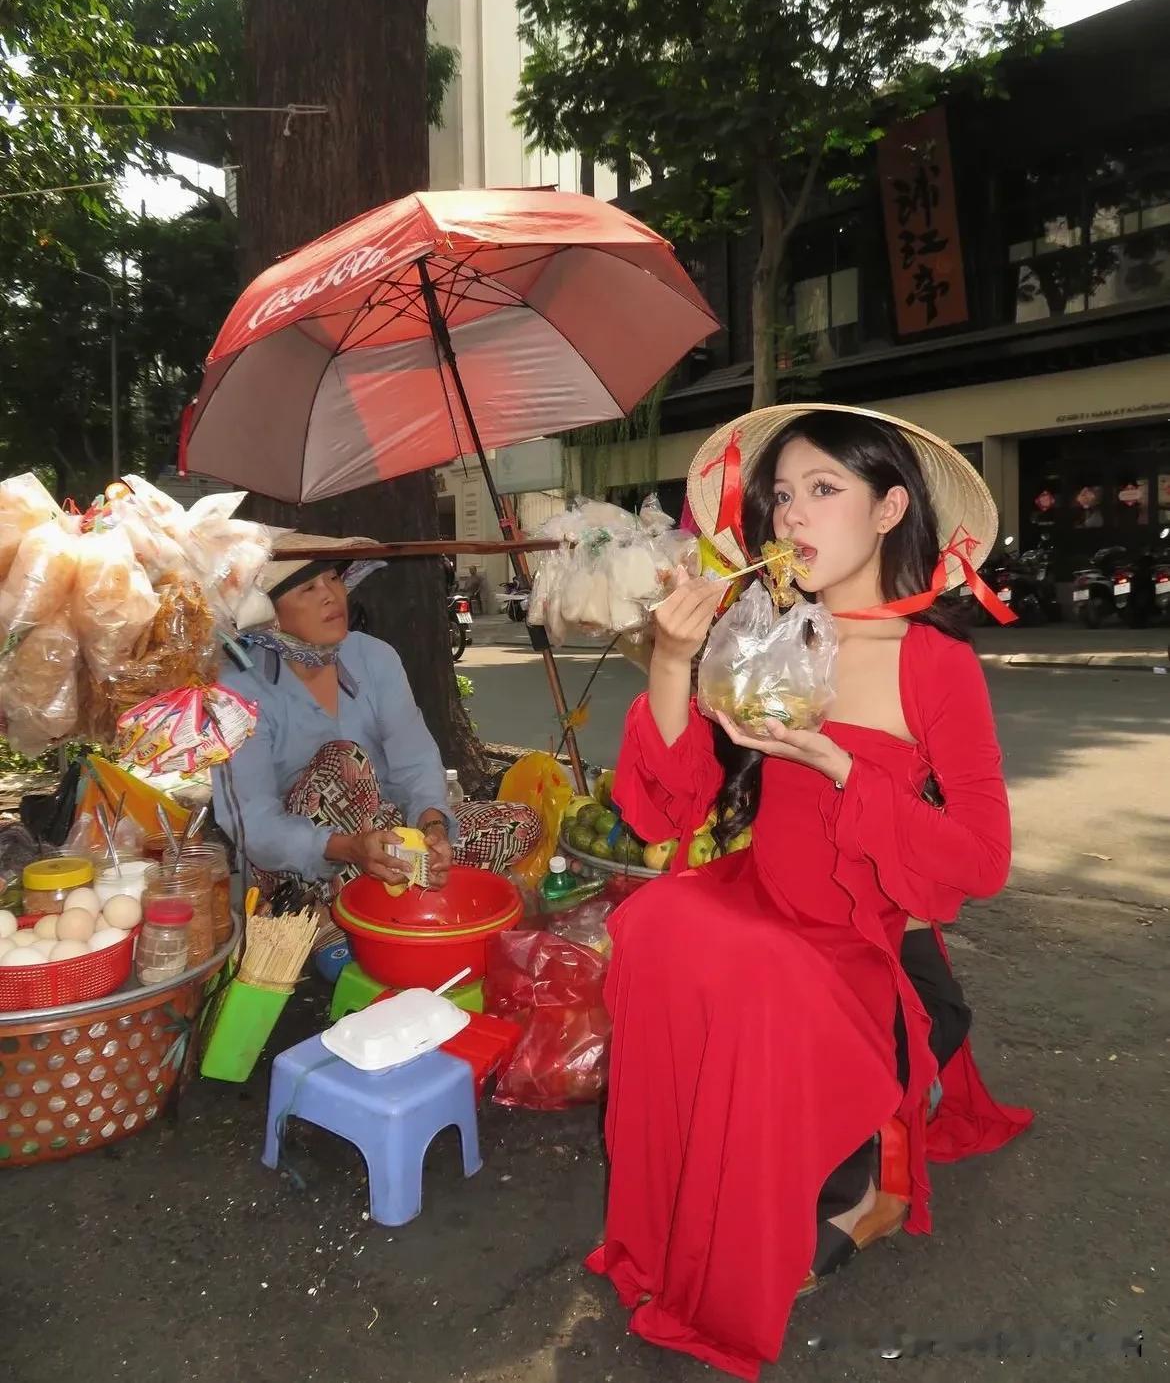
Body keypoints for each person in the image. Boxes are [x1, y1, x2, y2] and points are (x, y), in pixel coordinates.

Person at [586, 405, 1033, 1381]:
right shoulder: (770, 633)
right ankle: (685, 1219)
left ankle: (859, 1172)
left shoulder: (937, 663)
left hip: (864, 933)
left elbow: (982, 857)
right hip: (763, 889)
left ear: (889, 509)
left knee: (747, 970)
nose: (794, 512)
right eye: (782, 492)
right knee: (654, 920)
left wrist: (837, 762)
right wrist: (671, 657)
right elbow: (664, 812)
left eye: (825, 488)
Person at [212, 534, 541, 909]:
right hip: (301, 862)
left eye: (333, 579)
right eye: (308, 588)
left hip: (388, 837)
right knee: (346, 761)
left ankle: (392, 895)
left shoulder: (374, 657)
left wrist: (432, 827)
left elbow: (414, 760)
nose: (330, 596)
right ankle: (341, 907)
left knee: (521, 821)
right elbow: (251, 822)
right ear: (270, 614)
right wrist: (350, 848)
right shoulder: (235, 688)